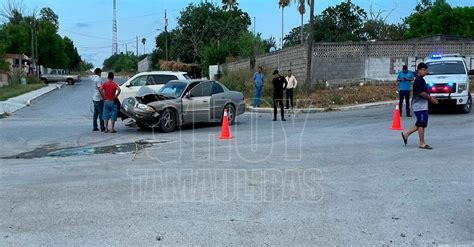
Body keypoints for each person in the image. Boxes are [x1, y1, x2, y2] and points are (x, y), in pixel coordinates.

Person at [401, 63, 438, 150]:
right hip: (419, 105)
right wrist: (430, 98)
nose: (425, 72)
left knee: (420, 123)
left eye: (426, 70)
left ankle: (406, 135)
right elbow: (422, 93)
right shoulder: (419, 80)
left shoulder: (421, 80)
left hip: (421, 105)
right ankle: (422, 143)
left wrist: (431, 97)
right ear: (419, 70)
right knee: (422, 124)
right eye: (424, 70)